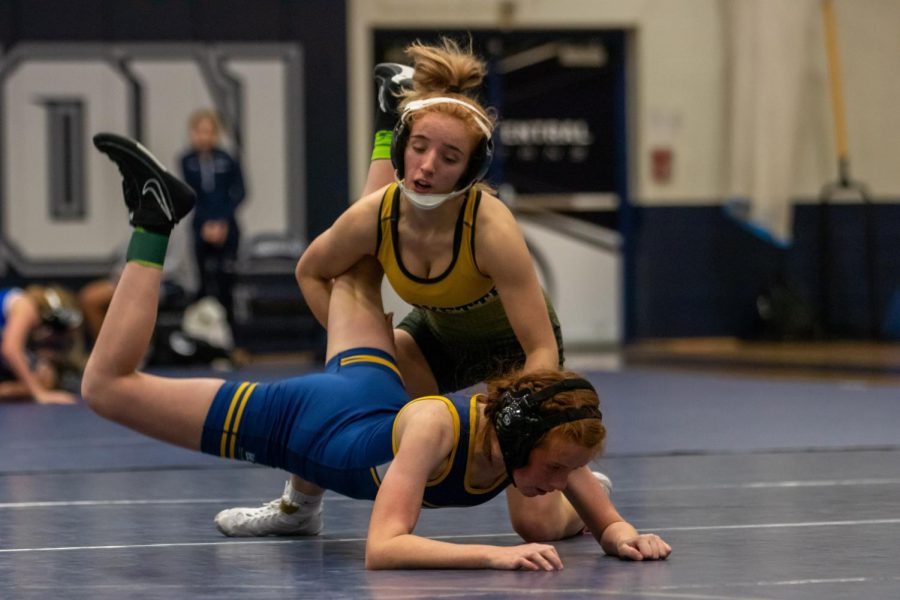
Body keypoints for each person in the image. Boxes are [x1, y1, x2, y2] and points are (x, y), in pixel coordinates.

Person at [84, 133, 671, 569]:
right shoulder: (432, 427)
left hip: (366, 394)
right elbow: (383, 548)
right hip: (303, 422)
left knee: (359, 272)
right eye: (562, 470)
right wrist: (491, 557)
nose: (571, 479)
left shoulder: (529, 438)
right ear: (520, 441)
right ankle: (155, 221)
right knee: (106, 387)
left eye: (573, 472)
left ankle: (387, 126)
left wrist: (617, 531)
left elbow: (565, 465)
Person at [215, 37, 601, 537]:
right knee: (341, 394)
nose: (426, 167)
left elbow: (540, 346)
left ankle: (578, 487)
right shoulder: (377, 213)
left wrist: (520, 418)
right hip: (439, 338)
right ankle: (299, 508)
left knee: (537, 527)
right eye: (419, 148)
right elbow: (311, 271)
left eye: (448, 157)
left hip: (516, 355)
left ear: (471, 168)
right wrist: (352, 349)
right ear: (401, 147)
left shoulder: (490, 228)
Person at [179, 109, 246, 327]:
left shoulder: (227, 159)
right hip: (201, 226)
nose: (204, 137)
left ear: (216, 134)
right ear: (192, 134)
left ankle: (231, 335)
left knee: (226, 280)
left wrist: (222, 221)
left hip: (227, 227)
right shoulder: (186, 160)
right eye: (199, 132)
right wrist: (206, 223)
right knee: (203, 281)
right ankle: (204, 334)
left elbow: (240, 192)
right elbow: (191, 194)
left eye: (209, 132)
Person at [0, 285, 82, 404]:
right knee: (40, 379)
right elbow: (10, 350)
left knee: (45, 376)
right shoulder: (25, 306)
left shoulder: (19, 303)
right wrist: (39, 393)